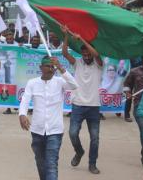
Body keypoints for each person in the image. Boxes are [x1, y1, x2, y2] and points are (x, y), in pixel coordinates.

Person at [19, 56, 78, 180]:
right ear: (41, 67)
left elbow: (74, 85)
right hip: (37, 130)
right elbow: (25, 100)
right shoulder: (32, 82)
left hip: (55, 131)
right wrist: (22, 114)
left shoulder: (60, 82)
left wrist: (61, 68)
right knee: (41, 163)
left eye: (53, 67)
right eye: (48, 66)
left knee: (51, 164)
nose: (51, 69)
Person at [61, 26, 103, 174]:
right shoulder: (77, 62)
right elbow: (64, 53)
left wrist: (83, 40)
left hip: (93, 106)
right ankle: (79, 152)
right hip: (78, 105)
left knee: (95, 138)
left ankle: (92, 164)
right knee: (72, 133)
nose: (86, 55)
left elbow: (96, 53)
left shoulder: (99, 64)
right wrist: (66, 36)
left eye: (87, 52)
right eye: (84, 53)